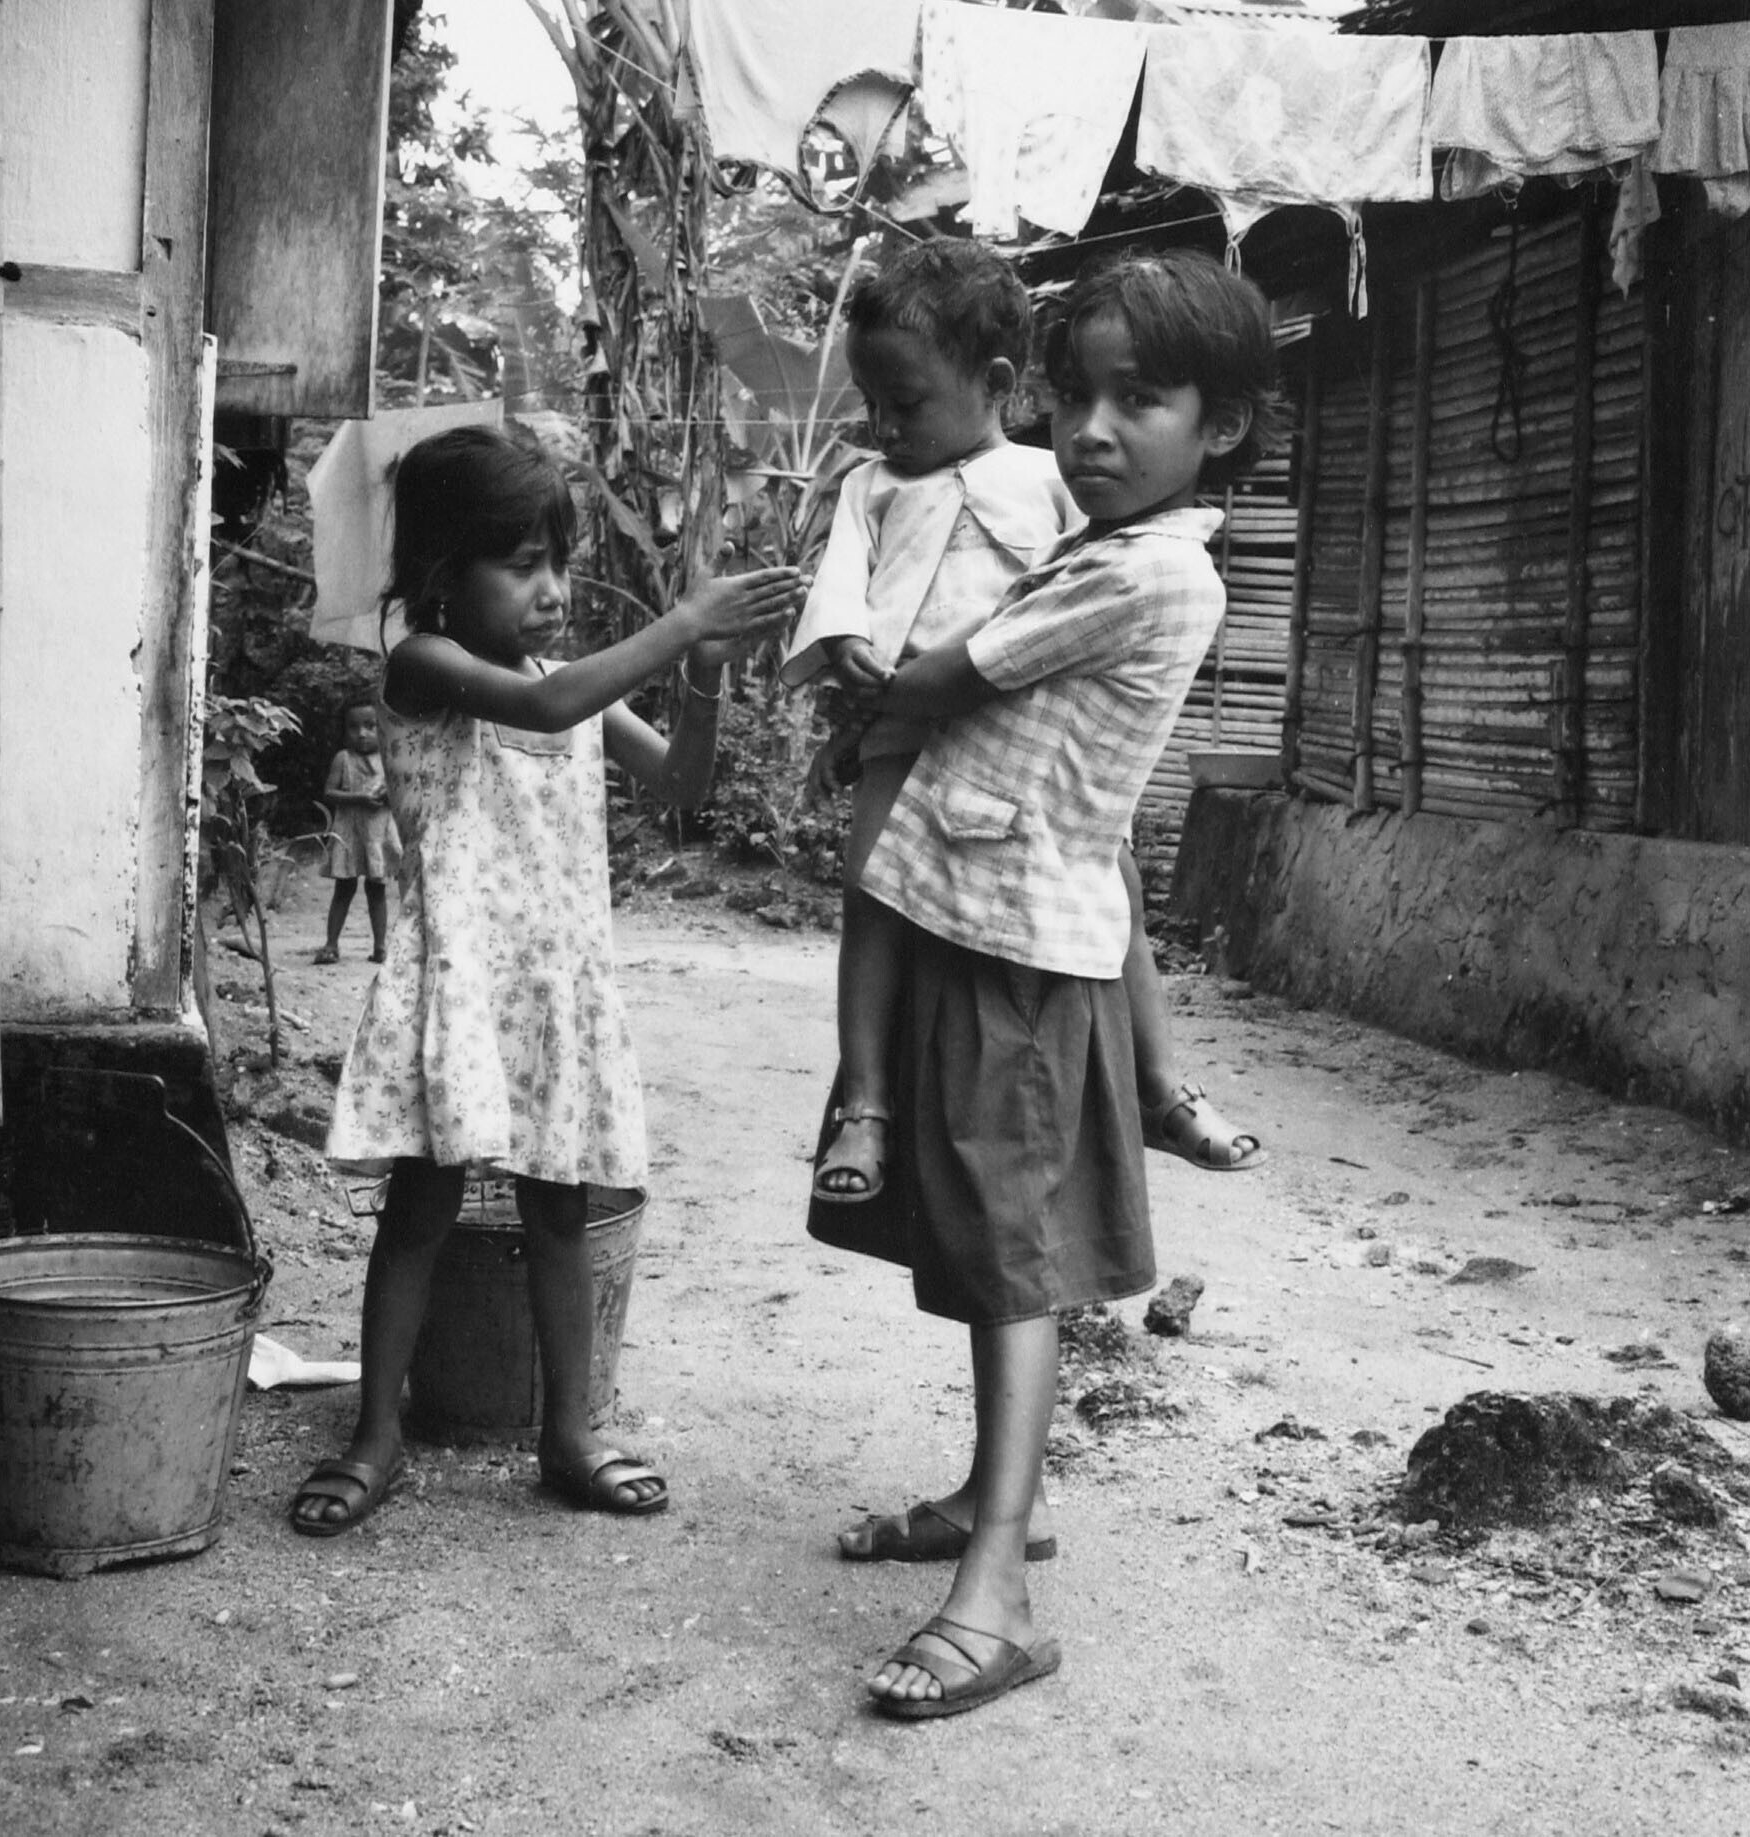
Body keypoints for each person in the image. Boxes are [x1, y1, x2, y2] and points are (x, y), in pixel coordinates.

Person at [815, 247, 1284, 1716]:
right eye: (1073, 395)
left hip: (1021, 951)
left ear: (1220, 428)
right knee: (980, 1234)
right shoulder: (1097, 544)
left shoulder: (1147, 571)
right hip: (976, 920)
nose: (1088, 429)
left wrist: (856, 697)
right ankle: (985, 1501)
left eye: (1136, 401)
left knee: (1011, 1262)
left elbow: (940, 679)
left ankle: (997, 1594)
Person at [291, 423, 803, 1536]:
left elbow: (680, 785)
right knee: (420, 1207)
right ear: (442, 572)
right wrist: (681, 622)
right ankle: (375, 1435)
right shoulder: (426, 665)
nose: (553, 590)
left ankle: (569, 1433)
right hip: (462, 981)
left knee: (560, 1206)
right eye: (522, 565)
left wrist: (704, 673)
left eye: (559, 564)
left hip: (555, 985)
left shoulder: (557, 683)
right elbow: (545, 707)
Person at [787, 238, 1260, 1215]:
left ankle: (1160, 1083)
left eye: (904, 403)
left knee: (1117, 893)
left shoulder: (1055, 477)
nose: (883, 427)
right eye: (871, 405)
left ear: (997, 385)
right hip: (901, 720)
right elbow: (838, 596)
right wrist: (847, 666)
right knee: (869, 898)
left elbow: (1071, 595)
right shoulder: (868, 487)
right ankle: (865, 1103)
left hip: (1018, 741)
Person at [314, 696, 399, 965]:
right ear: (344, 730)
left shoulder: (389, 758)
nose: (362, 733)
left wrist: (387, 795)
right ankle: (331, 944)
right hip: (350, 834)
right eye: (353, 727)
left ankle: (380, 947)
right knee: (344, 888)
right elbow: (329, 792)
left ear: (382, 727)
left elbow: (401, 792)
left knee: (377, 890)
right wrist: (359, 798)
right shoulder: (343, 759)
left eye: (370, 726)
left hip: (377, 834)